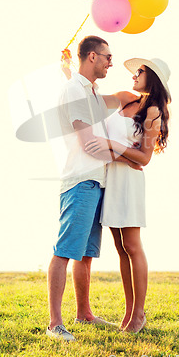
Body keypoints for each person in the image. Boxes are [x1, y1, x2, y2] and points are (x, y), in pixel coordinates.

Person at [47, 36, 141, 341]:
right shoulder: (75, 90)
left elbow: (74, 77)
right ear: (91, 57)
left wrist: (65, 65)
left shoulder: (88, 89)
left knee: (85, 254)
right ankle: (54, 325)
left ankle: (84, 313)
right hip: (80, 181)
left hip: (95, 182)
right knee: (65, 252)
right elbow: (88, 142)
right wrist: (129, 156)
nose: (111, 62)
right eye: (107, 56)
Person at [85, 57, 171, 333]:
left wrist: (110, 147)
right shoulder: (125, 98)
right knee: (121, 248)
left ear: (153, 78)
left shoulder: (154, 111)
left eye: (141, 71)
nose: (135, 74)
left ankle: (139, 314)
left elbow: (143, 158)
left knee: (132, 246)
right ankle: (129, 312)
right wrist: (69, 73)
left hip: (130, 183)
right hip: (111, 179)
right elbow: (91, 100)